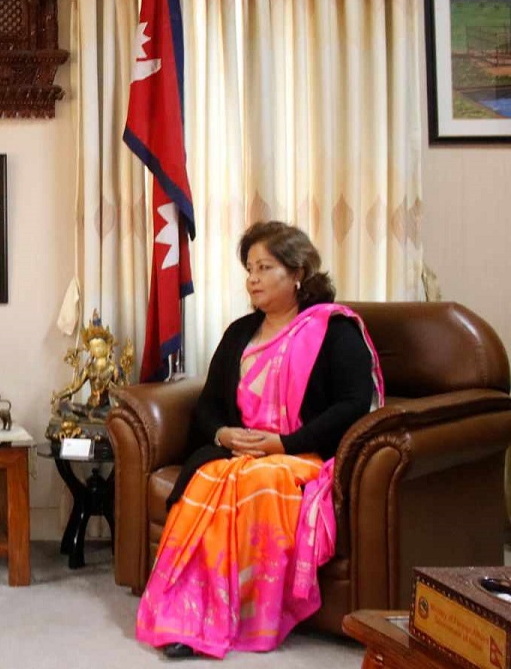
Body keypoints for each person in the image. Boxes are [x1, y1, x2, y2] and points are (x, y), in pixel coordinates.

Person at [136, 221, 384, 660]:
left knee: (257, 484)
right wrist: (222, 432)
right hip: (237, 452)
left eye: (264, 267)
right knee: (207, 481)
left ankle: (245, 616)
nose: (251, 279)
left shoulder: (336, 330)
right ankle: (186, 616)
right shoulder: (239, 333)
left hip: (301, 454)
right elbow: (209, 404)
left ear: (298, 273)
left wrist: (283, 445)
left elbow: (350, 405)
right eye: (249, 268)